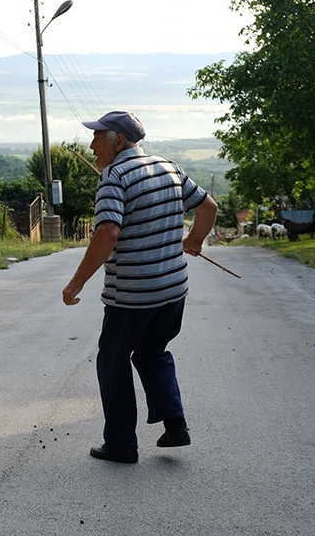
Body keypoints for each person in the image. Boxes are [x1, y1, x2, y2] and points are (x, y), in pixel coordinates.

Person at [61, 111, 217, 464]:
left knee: (113, 362)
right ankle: (175, 425)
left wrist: (76, 282)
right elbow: (208, 206)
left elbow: (107, 232)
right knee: (151, 352)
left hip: (132, 296)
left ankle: (120, 444)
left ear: (118, 140)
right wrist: (194, 240)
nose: (92, 144)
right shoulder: (168, 166)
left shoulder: (114, 177)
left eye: (98, 137)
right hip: (173, 290)